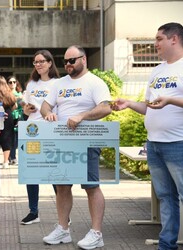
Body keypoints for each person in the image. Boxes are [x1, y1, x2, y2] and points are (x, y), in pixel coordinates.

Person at [112, 22, 183, 250]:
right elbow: (149, 107)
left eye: (159, 39)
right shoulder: (157, 70)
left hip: (182, 142)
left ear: (174, 39)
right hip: (154, 143)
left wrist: (171, 99)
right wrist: (129, 104)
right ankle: (167, 245)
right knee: (166, 197)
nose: (155, 44)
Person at [40, 45, 112, 249]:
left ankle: (97, 233)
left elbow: (105, 107)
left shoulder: (95, 83)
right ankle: (63, 230)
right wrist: (48, 114)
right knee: (62, 186)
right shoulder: (59, 83)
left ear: (84, 59)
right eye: (65, 61)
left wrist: (82, 116)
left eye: (72, 60)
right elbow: (45, 106)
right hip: (63, 140)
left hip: (87, 140)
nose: (68, 65)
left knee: (91, 186)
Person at [20, 49, 60, 225]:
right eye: (35, 62)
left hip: (51, 131)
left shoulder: (58, 84)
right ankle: (33, 212)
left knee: (54, 174)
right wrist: (26, 109)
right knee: (32, 172)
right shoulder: (31, 85)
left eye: (42, 61)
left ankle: (64, 212)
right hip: (32, 131)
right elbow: (25, 107)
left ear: (50, 63)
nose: (38, 65)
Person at [0, 75, 17, 169]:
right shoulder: (9, 92)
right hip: (7, 116)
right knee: (7, 138)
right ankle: (5, 161)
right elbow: (14, 106)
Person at [7, 76, 25, 165]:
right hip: (9, 117)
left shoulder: (20, 94)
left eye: (14, 82)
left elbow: (23, 108)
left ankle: (12, 156)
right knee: (10, 138)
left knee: (16, 139)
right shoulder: (5, 94)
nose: (12, 84)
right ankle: (12, 157)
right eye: (10, 82)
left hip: (18, 117)